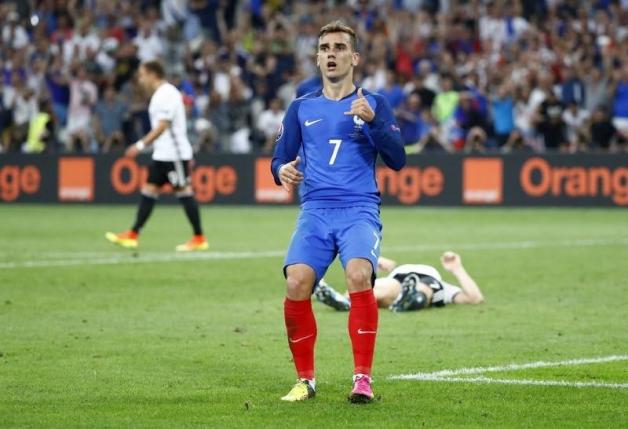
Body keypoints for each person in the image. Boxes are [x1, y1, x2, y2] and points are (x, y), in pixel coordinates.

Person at [271, 20, 405, 404]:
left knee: (359, 274)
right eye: (325, 48)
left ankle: (362, 378)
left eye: (340, 47)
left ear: (354, 57)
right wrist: (281, 169)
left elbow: (397, 159)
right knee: (296, 282)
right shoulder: (301, 107)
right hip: (315, 210)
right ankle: (305, 380)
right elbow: (280, 157)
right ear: (317, 57)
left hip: (359, 208)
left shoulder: (373, 103)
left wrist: (374, 122)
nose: (332, 54)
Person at [105, 60, 208, 252]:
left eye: (142, 74)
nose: (140, 79)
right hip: (162, 153)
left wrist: (140, 145)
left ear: (153, 74)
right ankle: (133, 234)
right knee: (149, 190)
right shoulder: (160, 94)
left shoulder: (167, 93)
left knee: (184, 192)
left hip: (174, 154)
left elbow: (163, 125)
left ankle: (199, 237)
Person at [314, 252, 484, 312]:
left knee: (422, 288)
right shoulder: (394, 272)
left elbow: (475, 297)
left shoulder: (443, 287)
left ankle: (410, 297)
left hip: (428, 280)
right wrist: (378, 262)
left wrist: (457, 268)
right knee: (380, 291)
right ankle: (406, 299)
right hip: (398, 278)